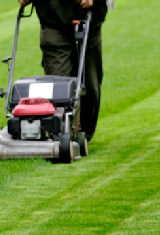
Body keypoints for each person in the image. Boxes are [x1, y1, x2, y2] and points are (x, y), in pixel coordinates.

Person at [19, 0, 107, 142]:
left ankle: (83, 136)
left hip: (90, 19)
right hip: (53, 19)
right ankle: (61, 135)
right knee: (58, 90)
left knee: (91, 88)